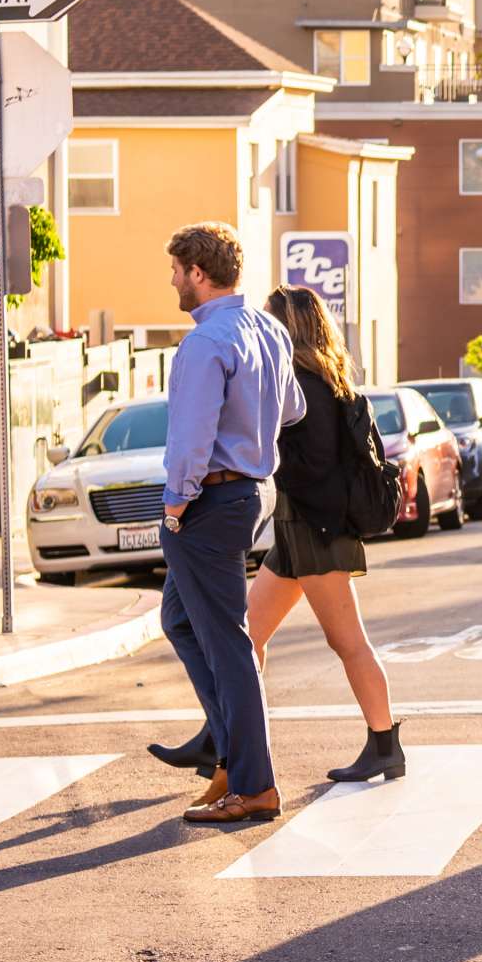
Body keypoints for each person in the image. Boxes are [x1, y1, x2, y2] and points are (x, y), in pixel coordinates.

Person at [151, 287, 406, 787]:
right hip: (295, 533)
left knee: (347, 641)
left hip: (317, 530)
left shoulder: (308, 386)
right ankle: (220, 737)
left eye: (271, 322)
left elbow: (311, 467)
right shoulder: (323, 380)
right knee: (249, 638)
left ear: (289, 328)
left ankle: (385, 745)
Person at [152, 222, 304, 825]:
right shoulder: (268, 329)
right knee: (180, 619)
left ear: (198, 272)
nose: (172, 282)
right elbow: (292, 408)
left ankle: (254, 784)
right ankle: (228, 749)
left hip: (209, 502)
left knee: (229, 644)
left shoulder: (205, 341)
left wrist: (175, 503)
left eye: (176, 271)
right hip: (248, 494)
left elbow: (191, 435)